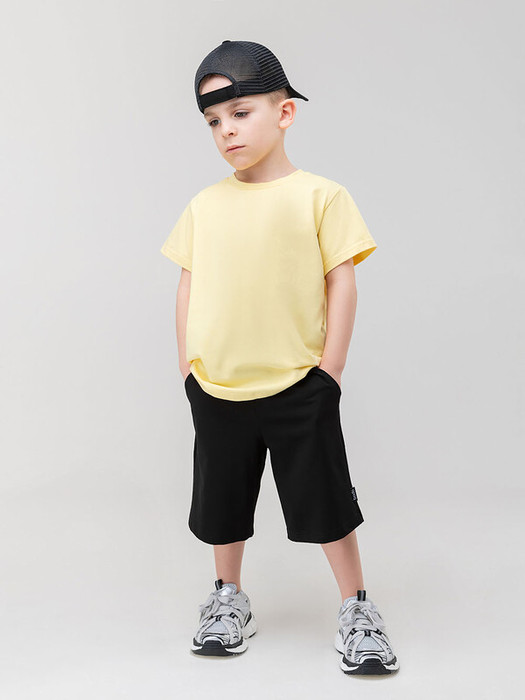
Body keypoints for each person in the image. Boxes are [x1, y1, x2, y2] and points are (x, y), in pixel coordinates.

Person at [160, 40, 400, 676]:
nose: (226, 131)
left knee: (325, 499)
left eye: (240, 113)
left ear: (285, 112)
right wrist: (188, 366)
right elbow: (188, 283)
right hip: (217, 384)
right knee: (222, 501)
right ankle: (227, 598)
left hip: (299, 383)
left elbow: (341, 279)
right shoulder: (204, 205)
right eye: (214, 121)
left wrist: (331, 370)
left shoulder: (322, 196)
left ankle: (357, 607)